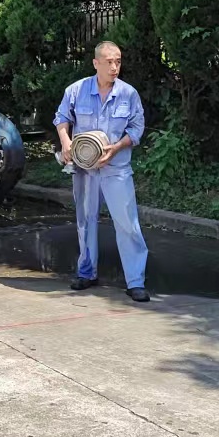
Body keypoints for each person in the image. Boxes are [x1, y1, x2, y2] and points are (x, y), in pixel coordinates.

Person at [54, 41, 150, 302]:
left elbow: (137, 128)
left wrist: (116, 148)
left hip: (116, 168)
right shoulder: (76, 90)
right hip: (84, 169)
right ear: (96, 63)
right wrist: (66, 142)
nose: (114, 67)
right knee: (85, 221)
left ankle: (135, 282)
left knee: (127, 223)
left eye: (118, 61)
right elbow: (61, 118)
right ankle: (86, 273)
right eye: (109, 62)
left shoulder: (128, 94)